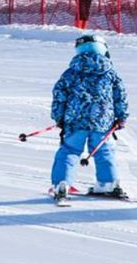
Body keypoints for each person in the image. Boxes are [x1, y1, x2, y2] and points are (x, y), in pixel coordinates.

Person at [50, 35, 129, 201]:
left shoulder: (70, 74)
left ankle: (61, 184)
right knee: (104, 151)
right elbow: (120, 96)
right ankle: (108, 184)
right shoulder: (110, 73)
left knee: (70, 151)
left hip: (75, 120)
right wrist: (121, 117)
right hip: (102, 121)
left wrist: (58, 117)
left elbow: (59, 95)